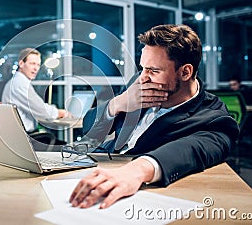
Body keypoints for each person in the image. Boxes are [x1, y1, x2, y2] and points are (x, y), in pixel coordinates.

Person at [69, 24, 239, 209]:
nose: (143, 78)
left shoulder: (213, 117)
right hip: (97, 163)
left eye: (153, 70)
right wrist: (117, 104)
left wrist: (138, 170)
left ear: (185, 72)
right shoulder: (140, 85)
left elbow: (191, 150)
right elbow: (89, 128)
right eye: (142, 68)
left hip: (144, 190)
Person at [1, 48, 70, 133]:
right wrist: (59, 113)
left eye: (38, 65)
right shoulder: (20, 84)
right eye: (32, 64)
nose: (36, 68)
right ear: (21, 63)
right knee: (62, 144)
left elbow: (36, 105)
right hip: (25, 137)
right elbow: (41, 110)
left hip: (19, 134)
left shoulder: (16, 82)